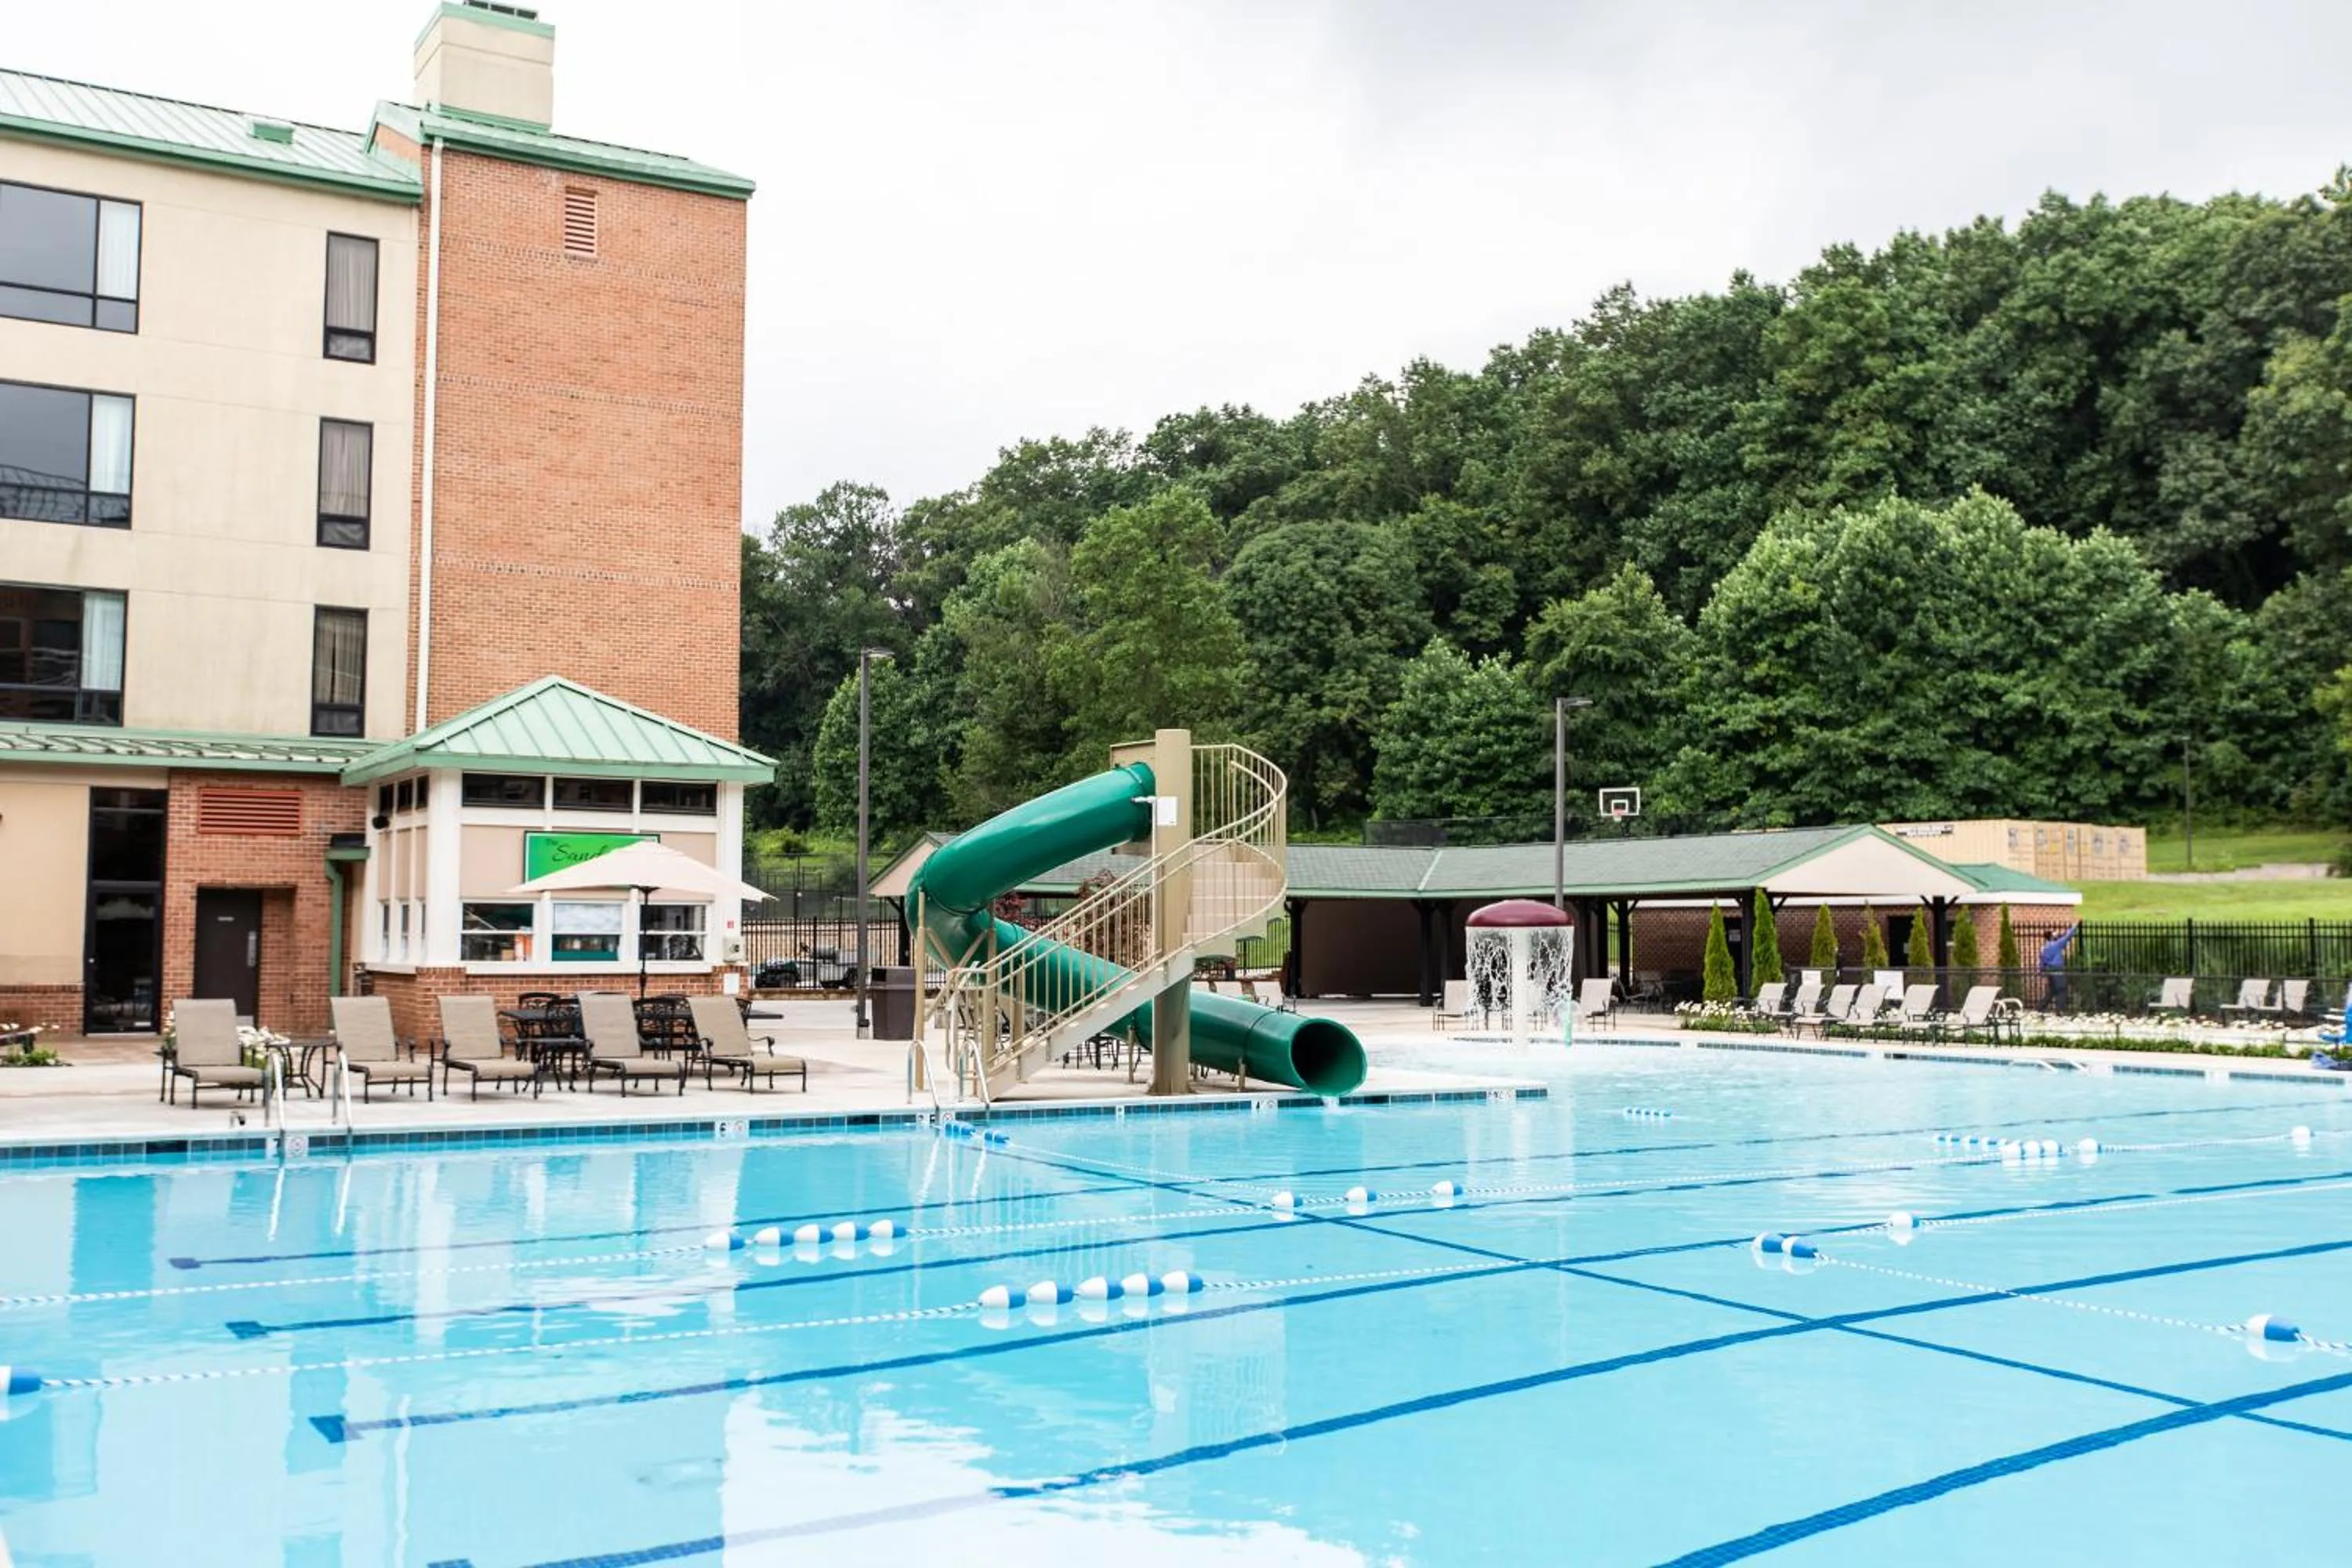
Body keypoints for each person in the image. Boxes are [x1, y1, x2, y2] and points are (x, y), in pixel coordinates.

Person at [2038, 924, 2079, 1011]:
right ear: (2051, 936)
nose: (2056, 933)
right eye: (2054, 932)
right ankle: (2061, 1010)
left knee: (2052, 990)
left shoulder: (2044, 948)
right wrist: (2075, 926)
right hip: (2057, 970)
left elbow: (2042, 962)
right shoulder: (2057, 944)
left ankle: (2040, 1008)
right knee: (2062, 989)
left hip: (2049, 970)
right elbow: (2068, 936)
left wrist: (2042, 971)